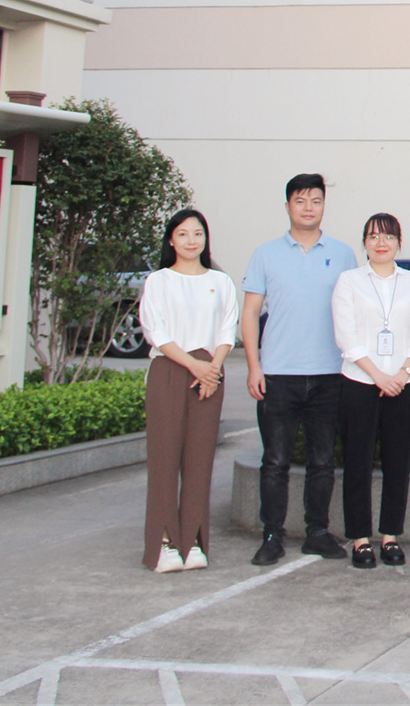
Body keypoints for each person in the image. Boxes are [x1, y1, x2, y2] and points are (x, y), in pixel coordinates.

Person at [242, 174, 357, 565]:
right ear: (288, 205)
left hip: (330, 374)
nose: (309, 207)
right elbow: (250, 313)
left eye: (316, 200)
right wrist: (254, 366)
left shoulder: (342, 254)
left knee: (322, 462)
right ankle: (272, 535)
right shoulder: (265, 254)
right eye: (300, 200)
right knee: (275, 461)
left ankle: (317, 533)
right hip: (278, 375)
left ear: (324, 205)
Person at [138, 208, 238, 572]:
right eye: (182, 234)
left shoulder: (220, 282)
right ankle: (164, 543)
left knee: (200, 460)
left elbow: (227, 330)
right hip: (170, 369)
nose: (191, 240)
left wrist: (212, 368)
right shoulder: (159, 281)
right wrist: (193, 365)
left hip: (209, 373)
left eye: (197, 234)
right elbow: (156, 331)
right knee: (164, 460)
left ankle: (193, 539)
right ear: (171, 240)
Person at [330, 213, 410, 570]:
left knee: (398, 463)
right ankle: (359, 539)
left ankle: (389, 536)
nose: (381, 243)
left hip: (404, 384)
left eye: (388, 237)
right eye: (373, 237)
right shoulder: (349, 281)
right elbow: (346, 335)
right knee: (357, 462)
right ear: (364, 243)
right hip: (360, 382)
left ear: (399, 242)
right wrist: (378, 376)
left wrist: (401, 373)